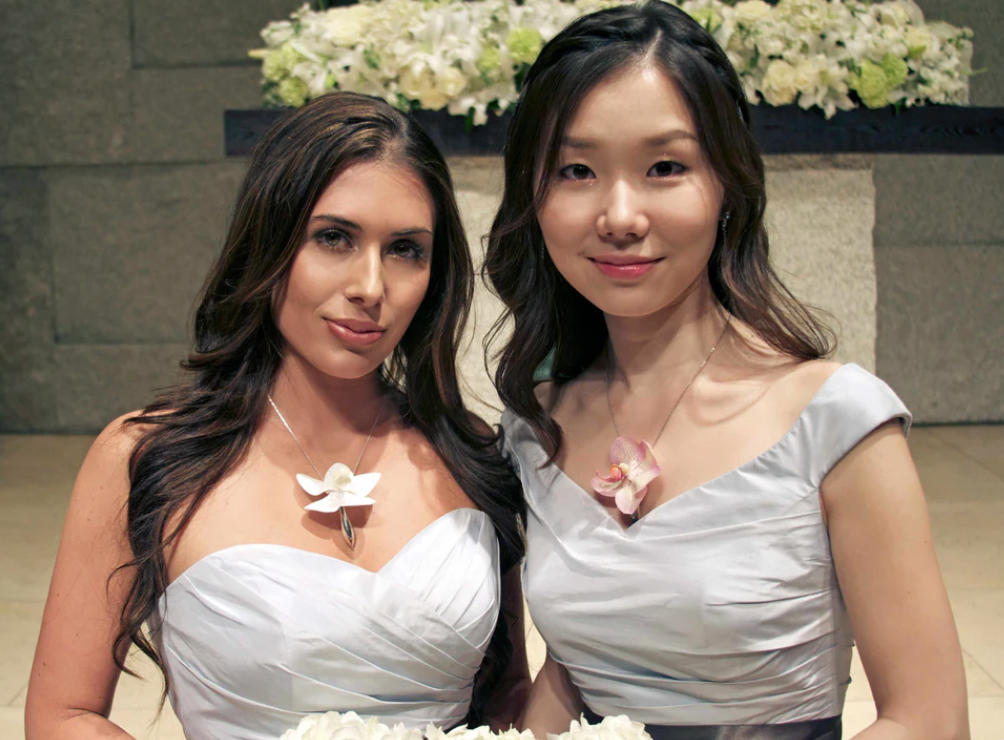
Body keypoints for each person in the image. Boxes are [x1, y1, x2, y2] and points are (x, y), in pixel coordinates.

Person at [485, 3, 968, 739]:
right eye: (576, 170)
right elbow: (573, 671)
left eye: (665, 168)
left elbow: (929, 720)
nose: (620, 215)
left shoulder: (834, 420)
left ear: (727, 185)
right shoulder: (535, 427)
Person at [27, 92, 527, 740]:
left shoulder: (471, 452)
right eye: (333, 238)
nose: (370, 287)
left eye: (405, 249)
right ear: (269, 242)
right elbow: (63, 715)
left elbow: (510, 694)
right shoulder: (148, 456)